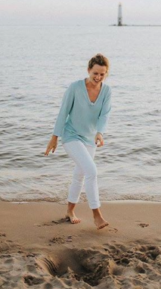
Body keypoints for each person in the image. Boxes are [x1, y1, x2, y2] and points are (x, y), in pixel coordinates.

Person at [45, 53, 112, 229]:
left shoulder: (106, 91)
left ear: (106, 74)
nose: (98, 77)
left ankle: (69, 211)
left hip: (90, 138)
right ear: (89, 70)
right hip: (71, 135)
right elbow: (63, 112)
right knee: (91, 171)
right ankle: (97, 215)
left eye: (102, 74)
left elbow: (104, 114)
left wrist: (100, 133)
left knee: (80, 175)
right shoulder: (75, 87)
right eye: (95, 73)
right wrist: (54, 138)